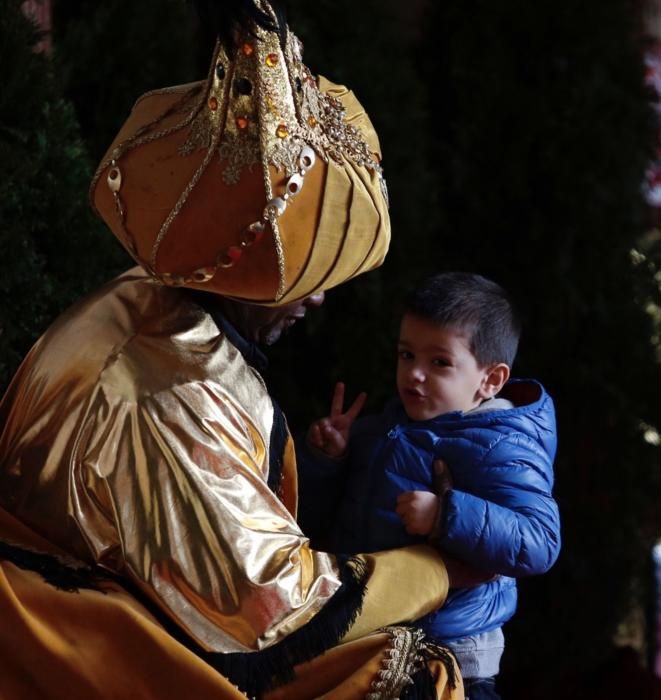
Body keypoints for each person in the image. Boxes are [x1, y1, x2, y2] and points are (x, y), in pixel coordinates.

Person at [0, 3, 463, 698]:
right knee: (408, 675)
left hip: (94, 603)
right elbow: (273, 606)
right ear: (244, 267)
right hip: (78, 645)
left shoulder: (148, 296)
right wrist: (437, 569)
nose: (316, 301)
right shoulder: (170, 387)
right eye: (304, 278)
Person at [299, 272, 562, 699]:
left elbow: (540, 540)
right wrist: (331, 459)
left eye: (439, 362)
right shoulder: (390, 427)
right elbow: (325, 518)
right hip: (369, 634)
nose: (415, 374)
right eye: (406, 355)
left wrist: (445, 516)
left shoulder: (502, 444)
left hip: (450, 656)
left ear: (490, 380)